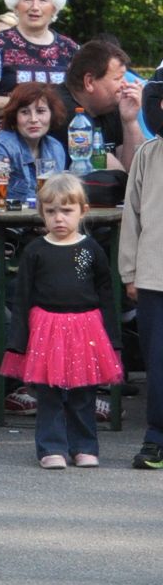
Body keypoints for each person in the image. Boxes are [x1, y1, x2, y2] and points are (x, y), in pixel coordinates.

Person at [0, 172, 122, 468]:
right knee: (49, 393)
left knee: (84, 393)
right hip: (47, 328)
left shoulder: (90, 250)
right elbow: (23, 297)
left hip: (86, 327)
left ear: (83, 211)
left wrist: (112, 336)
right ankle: (51, 447)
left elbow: (106, 293)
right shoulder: (35, 251)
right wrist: (18, 338)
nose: (59, 218)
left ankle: (84, 446)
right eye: (51, 211)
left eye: (66, 211)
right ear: (42, 213)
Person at [120, 119, 163, 471]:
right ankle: (157, 437)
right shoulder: (149, 155)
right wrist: (129, 271)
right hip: (154, 277)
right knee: (159, 363)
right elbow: (131, 217)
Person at [56, 37, 144, 171]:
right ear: (89, 82)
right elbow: (115, 174)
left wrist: (130, 121)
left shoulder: (109, 106)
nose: (125, 84)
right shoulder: (61, 109)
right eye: (118, 78)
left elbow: (137, 169)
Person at [0, 83, 68, 205]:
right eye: (25, 112)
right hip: (3, 222)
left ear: (52, 114)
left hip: (44, 220)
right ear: (15, 117)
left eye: (40, 111)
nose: (33, 119)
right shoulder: (0, 149)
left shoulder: (55, 147)